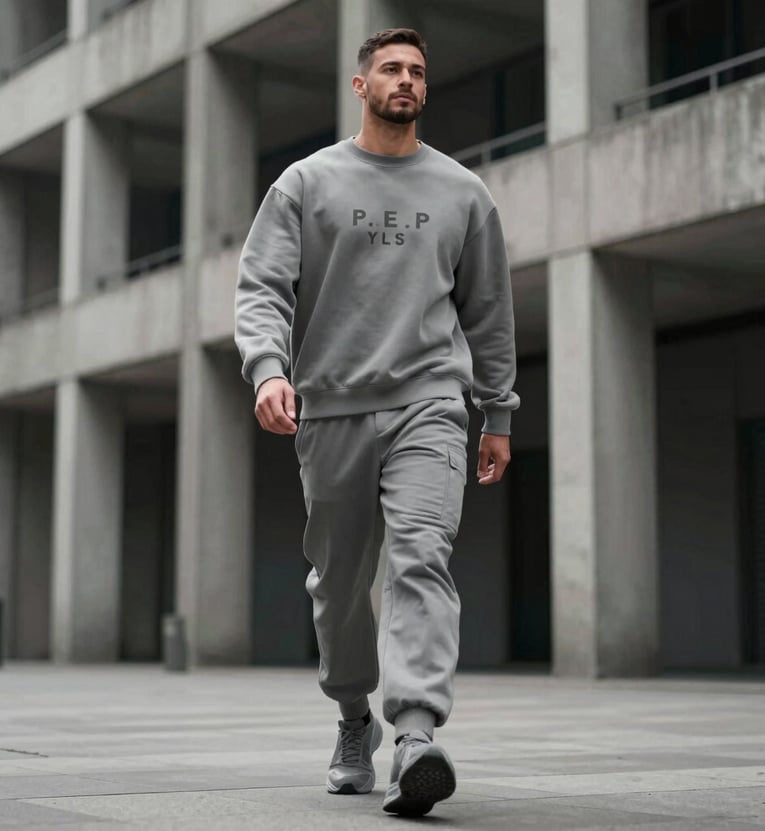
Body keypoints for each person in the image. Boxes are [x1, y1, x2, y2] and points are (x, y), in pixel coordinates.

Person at [235, 27, 519, 817]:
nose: (406, 80)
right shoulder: (305, 183)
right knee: (339, 584)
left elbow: (489, 312)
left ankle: (417, 735)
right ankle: (353, 716)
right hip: (330, 408)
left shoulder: (464, 193)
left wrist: (495, 409)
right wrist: (267, 368)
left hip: (430, 400)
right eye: (391, 69)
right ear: (361, 86)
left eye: (418, 72)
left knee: (422, 557)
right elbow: (262, 285)